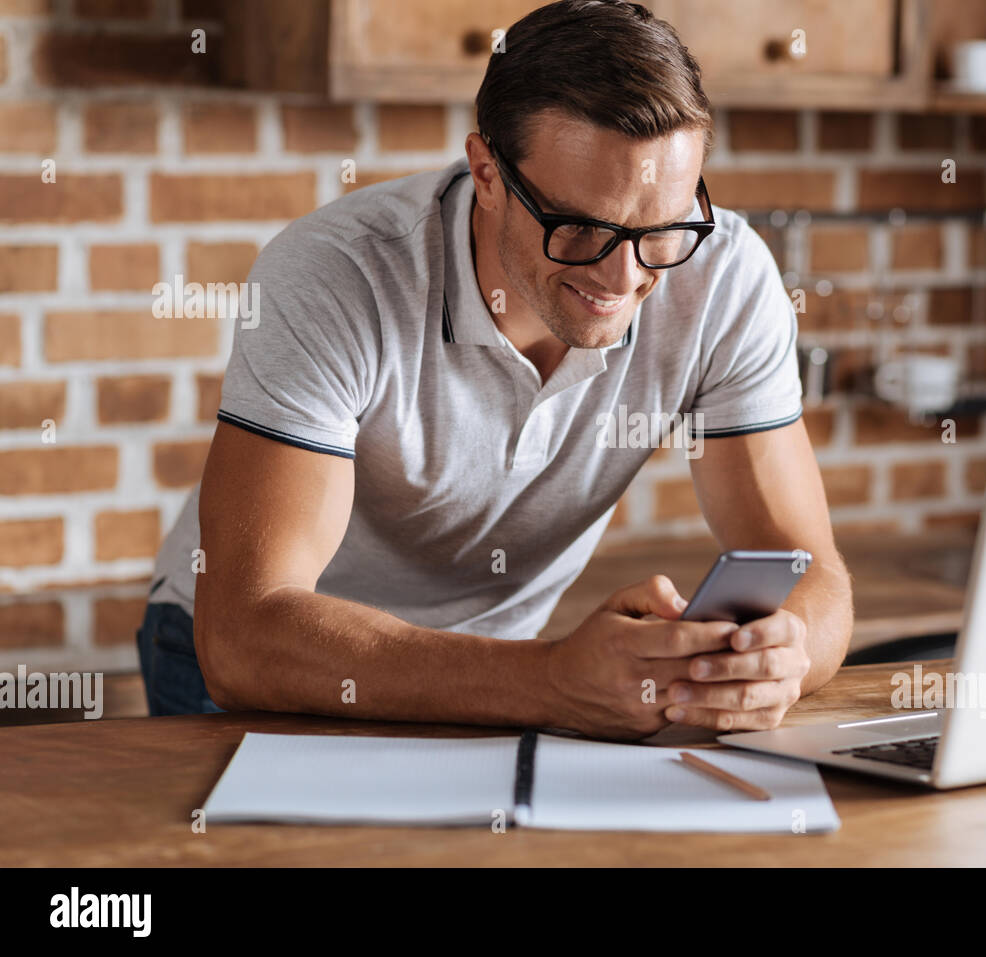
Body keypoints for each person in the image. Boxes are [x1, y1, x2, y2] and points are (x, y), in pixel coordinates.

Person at [137, 0, 852, 739]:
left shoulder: (725, 278)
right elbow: (246, 635)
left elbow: (813, 576)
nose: (623, 275)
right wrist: (546, 679)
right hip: (276, 673)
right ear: (485, 172)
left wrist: (784, 657)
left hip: (503, 676)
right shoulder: (335, 273)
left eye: (663, 230)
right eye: (579, 226)